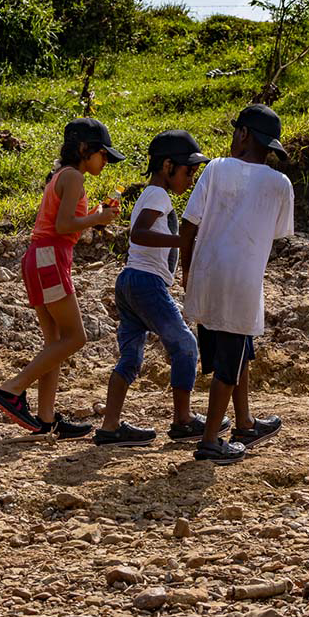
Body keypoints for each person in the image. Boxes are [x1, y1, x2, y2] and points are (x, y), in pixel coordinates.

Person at [94, 130, 231, 447]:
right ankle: (183, 421)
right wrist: (181, 240)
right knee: (185, 345)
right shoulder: (158, 195)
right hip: (146, 283)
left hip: (129, 282)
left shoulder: (150, 194)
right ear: (168, 166)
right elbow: (140, 233)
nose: (190, 178)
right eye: (188, 171)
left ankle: (110, 426)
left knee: (130, 359)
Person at [0, 118, 122, 437]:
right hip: (49, 259)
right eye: (103, 154)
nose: (105, 161)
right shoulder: (73, 176)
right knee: (76, 337)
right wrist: (99, 217)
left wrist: (94, 220)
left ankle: (46, 418)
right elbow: (63, 225)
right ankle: (11, 390)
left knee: (55, 343)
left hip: (38, 258)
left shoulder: (61, 175)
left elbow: (65, 221)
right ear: (83, 149)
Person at [180, 104, 294, 465]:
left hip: (208, 273)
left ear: (243, 134)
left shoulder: (214, 168)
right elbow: (277, 233)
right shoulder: (280, 184)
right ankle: (211, 441)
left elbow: (189, 225)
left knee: (236, 350)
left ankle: (244, 422)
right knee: (231, 361)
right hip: (243, 279)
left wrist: (187, 272)